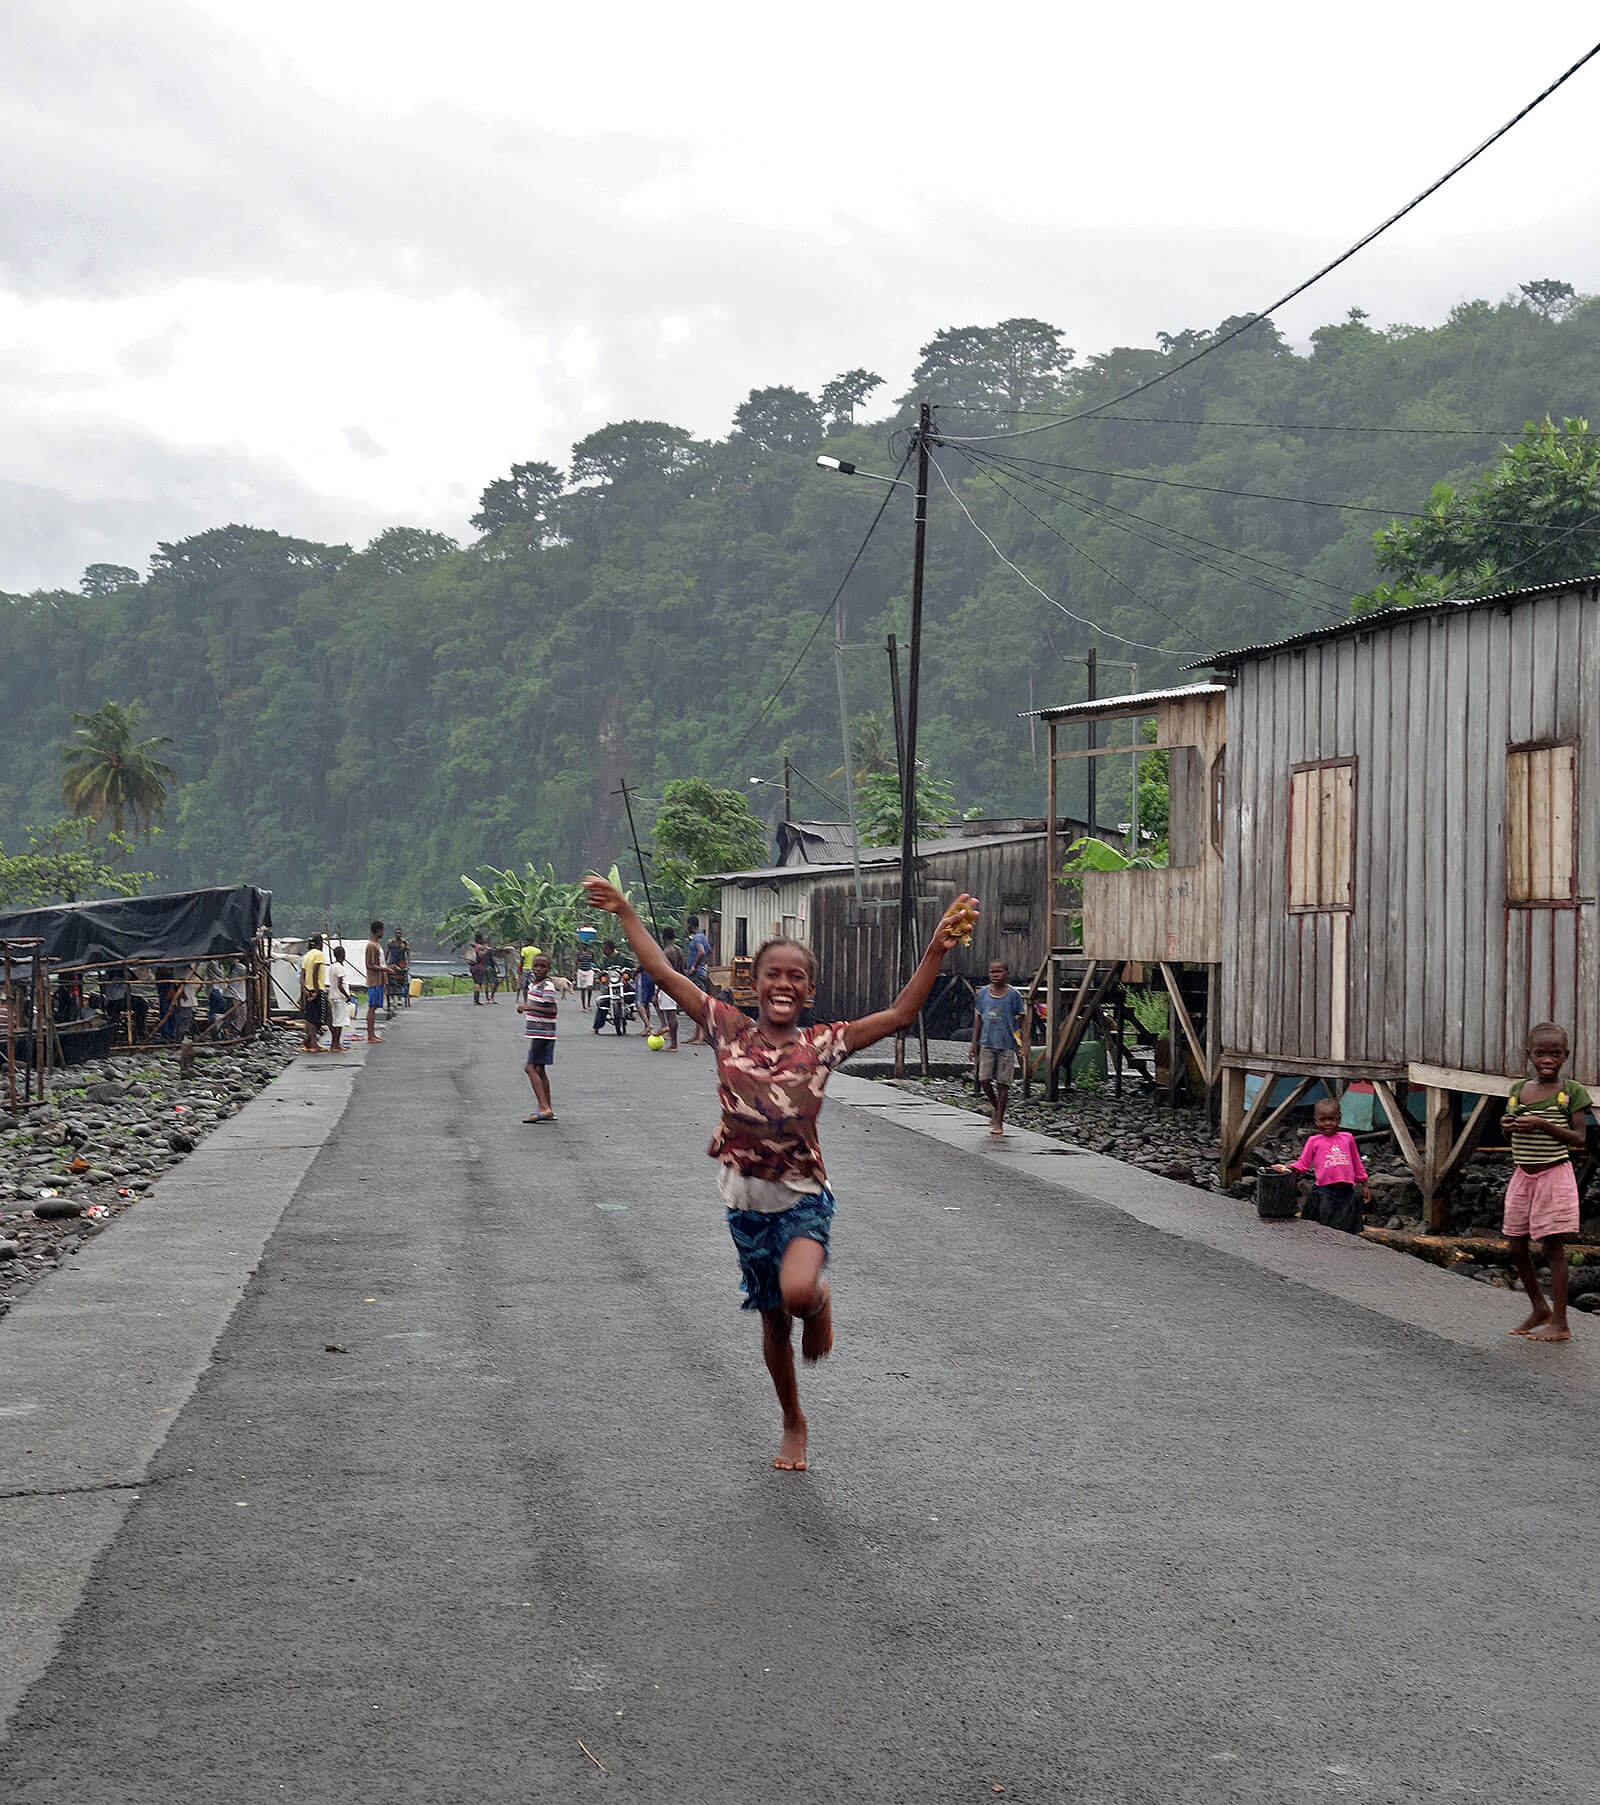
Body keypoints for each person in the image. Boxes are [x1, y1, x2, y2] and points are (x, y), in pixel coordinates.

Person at [585, 871, 979, 1473]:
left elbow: (901, 1013)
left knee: (796, 1296)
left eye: (796, 976)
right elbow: (665, 975)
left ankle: (817, 1302)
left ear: (809, 991)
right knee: (773, 1326)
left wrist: (937, 948)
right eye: (774, 973)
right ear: (756, 984)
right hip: (745, 1203)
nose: (784, 983)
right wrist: (625, 912)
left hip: (801, 1197)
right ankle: (793, 1420)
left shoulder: (826, 1042)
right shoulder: (726, 1028)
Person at [1499, 1022, 1592, 1343]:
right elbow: (1507, 1134)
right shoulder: (1517, 1090)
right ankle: (1540, 1308)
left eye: (1555, 1054)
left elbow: (1579, 1138)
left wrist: (1542, 1124)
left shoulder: (1571, 1092)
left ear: (1566, 1056)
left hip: (1554, 1176)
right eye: (1540, 1054)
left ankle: (1561, 1322)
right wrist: (1507, 1126)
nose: (1547, 1060)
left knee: (1553, 1248)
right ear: (1529, 1055)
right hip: (1523, 1176)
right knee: (1515, 1245)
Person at [1272, 1095, 1370, 1234]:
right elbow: (1303, 1164)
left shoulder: (1347, 1138)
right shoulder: (1314, 1141)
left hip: (1347, 1193)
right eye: (1322, 1120)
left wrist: (1364, 1184)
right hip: (1324, 1193)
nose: (1328, 1123)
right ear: (1316, 1121)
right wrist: (1287, 1168)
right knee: (1323, 1230)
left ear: (1339, 1119)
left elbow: (1357, 1163)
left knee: (1347, 1231)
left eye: (1332, 1119)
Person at [971, 959, 1026, 1138]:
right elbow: (978, 1020)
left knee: (1003, 1083)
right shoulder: (983, 994)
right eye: (992, 972)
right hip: (986, 1042)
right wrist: (974, 1043)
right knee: (984, 1079)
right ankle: (996, 1108)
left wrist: (1022, 1044)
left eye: (999, 971)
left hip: (1007, 1045)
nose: (995, 975)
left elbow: (1021, 1021)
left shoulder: (1014, 995)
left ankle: (999, 1120)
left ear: (1007, 974)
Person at [516, 953, 558, 1122]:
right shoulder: (535, 985)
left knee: (530, 1068)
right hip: (538, 1032)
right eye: (536, 966)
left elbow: (553, 1010)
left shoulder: (547, 987)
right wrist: (528, 1008)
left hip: (543, 1033)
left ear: (549, 968)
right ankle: (548, 1108)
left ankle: (544, 1107)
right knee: (540, 1070)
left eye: (543, 966)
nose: (539, 969)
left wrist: (529, 1007)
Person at [685, 913, 712, 1045]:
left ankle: (702, 1037)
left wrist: (694, 967)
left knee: (700, 1005)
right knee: (697, 1005)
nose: (686, 927)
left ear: (691, 925)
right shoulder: (703, 937)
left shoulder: (697, 938)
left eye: (687, 924)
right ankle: (696, 1035)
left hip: (696, 975)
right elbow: (708, 952)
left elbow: (701, 952)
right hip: (701, 973)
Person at [657, 926, 685, 1050]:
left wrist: (658, 989)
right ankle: (667, 1031)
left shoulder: (666, 952)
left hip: (668, 984)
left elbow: (663, 972)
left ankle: (673, 1043)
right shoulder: (678, 950)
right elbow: (682, 970)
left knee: (671, 1013)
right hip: (677, 982)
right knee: (670, 1011)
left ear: (663, 937)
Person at [300, 936, 328, 1052]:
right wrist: (316, 990)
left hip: (308, 989)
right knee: (323, 1017)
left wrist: (304, 989)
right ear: (319, 943)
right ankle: (313, 1043)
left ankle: (310, 1040)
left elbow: (302, 975)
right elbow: (315, 973)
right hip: (317, 989)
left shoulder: (307, 955)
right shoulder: (318, 954)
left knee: (311, 1017)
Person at [365, 922, 388, 1043]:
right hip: (373, 981)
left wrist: (387, 969)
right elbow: (369, 965)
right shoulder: (371, 946)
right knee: (372, 1007)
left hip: (379, 980)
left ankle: (372, 1034)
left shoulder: (377, 945)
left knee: (374, 1007)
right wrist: (385, 969)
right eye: (382, 930)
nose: (383, 933)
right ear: (378, 931)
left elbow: (380, 963)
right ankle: (370, 1035)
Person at [327, 944, 353, 1052]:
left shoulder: (333, 966)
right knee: (339, 1022)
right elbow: (340, 984)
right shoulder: (339, 968)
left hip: (334, 996)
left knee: (337, 1020)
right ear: (342, 955)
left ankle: (337, 1043)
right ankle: (335, 1044)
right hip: (340, 997)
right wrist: (347, 996)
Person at [386, 930, 410, 1007]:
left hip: (401, 963)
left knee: (400, 981)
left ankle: (399, 998)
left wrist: (407, 965)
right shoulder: (390, 942)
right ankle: (392, 998)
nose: (398, 934)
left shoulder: (404, 943)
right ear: (395, 934)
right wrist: (385, 963)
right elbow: (387, 952)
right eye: (397, 933)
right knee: (391, 980)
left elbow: (408, 954)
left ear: (401, 934)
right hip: (392, 963)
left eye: (400, 933)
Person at [574, 942, 597, 1012]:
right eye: (583, 945)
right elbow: (576, 963)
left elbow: (593, 961)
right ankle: (583, 1006)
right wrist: (573, 972)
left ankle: (589, 1004)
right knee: (583, 989)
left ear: (587, 946)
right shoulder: (579, 953)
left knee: (589, 987)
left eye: (585, 945)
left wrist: (595, 969)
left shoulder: (591, 953)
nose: (584, 946)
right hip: (581, 971)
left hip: (589, 971)